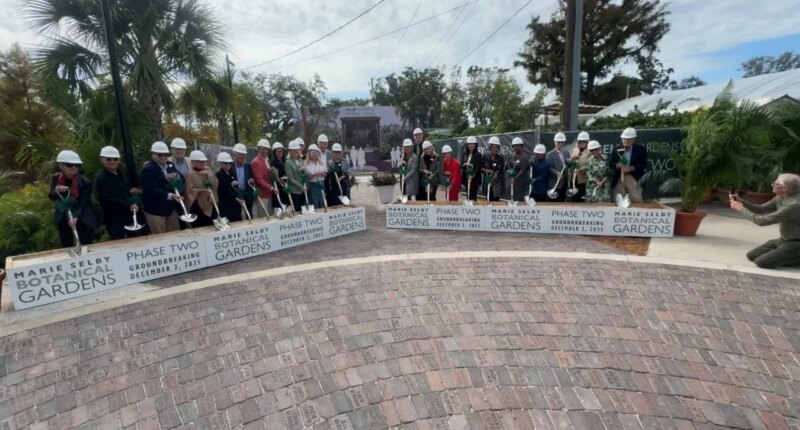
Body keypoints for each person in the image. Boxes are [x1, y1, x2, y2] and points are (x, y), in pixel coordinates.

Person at [730, 173, 800, 269]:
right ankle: (786, 253)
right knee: (752, 255)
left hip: (796, 243)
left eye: (776, 183)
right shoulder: (781, 197)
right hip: (784, 240)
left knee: (762, 262)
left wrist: (741, 209)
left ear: (785, 188)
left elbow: (761, 221)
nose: (772, 184)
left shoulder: (794, 205)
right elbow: (761, 209)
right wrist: (741, 201)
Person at [49, 150, 97, 247]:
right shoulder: (56, 178)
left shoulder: (85, 181)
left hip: (82, 217)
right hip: (64, 217)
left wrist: (75, 217)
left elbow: (84, 202)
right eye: (70, 165)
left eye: (77, 165)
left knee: (85, 245)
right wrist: (57, 191)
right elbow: (52, 196)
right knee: (66, 245)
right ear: (61, 166)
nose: (74, 167)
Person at [94, 146, 143, 240]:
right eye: (109, 159)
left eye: (115, 159)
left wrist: (130, 191)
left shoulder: (121, 173)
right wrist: (127, 206)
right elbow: (105, 199)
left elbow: (123, 191)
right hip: (114, 219)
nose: (112, 161)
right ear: (102, 160)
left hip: (129, 215)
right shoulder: (101, 178)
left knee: (137, 240)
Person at [140, 141, 183, 234]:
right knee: (160, 238)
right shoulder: (148, 169)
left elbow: (181, 177)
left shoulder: (170, 164)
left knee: (175, 234)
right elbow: (151, 189)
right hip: (155, 210)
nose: (163, 157)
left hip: (170, 209)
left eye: (165, 154)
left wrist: (175, 175)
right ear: (153, 155)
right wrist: (171, 195)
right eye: (160, 155)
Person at [609, 127, 647, 203]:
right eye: (624, 139)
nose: (625, 141)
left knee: (636, 198)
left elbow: (644, 165)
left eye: (628, 139)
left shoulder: (640, 150)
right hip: (619, 176)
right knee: (618, 199)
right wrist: (617, 165)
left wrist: (631, 168)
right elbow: (610, 164)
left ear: (633, 139)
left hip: (632, 176)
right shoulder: (616, 149)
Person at [185, 150, 219, 228]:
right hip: (198, 206)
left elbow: (215, 184)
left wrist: (210, 174)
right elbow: (190, 191)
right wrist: (201, 190)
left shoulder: (207, 172)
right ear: (193, 162)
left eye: (204, 161)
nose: (203, 163)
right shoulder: (190, 174)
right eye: (200, 161)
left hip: (210, 203)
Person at [215, 152, 243, 223]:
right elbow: (225, 190)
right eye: (225, 163)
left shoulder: (231, 172)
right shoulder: (219, 175)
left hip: (235, 205)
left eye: (229, 163)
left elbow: (235, 185)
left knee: (238, 221)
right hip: (226, 204)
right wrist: (236, 198)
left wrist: (236, 184)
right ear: (221, 163)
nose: (228, 165)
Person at [250, 139, 274, 217]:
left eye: (266, 149)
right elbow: (259, 179)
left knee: (270, 215)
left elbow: (266, 174)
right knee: (264, 217)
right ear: (258, 149)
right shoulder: (256, 161)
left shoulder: (266, 160)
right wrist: (271, 188)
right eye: (262, 149)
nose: (264, 151)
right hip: (262, 194)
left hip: (269, 193)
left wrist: (271, 171)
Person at [231, 143, 255, 218]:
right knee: (237, 215)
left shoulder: (248, 166)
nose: (241, 156)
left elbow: (253, 178)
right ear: (234, 154)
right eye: (239, 154)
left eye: (243, 154)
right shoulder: (230, 167)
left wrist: (252, 180)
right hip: (236, 196)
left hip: (247, 194)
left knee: (249, 215)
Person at [546, 132, 570, 202]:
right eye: (558, 142)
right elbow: (548, 168)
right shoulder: (549, 154)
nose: (560, 144)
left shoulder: (567, 153)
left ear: (564, 143)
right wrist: (556, 173)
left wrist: (569, 162)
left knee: (562, 202)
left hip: (564, 183)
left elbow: (568, 166)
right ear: (554, 142)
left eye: (562, 142)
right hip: (554, 183)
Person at [285, 140, 307, 212]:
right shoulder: (288, 162)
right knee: (296, 211)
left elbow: (304, 174)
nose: (295, 152)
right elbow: (291, 178)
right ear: (290, 151)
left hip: (302, 190)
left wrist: (303, 171)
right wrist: (301, 186)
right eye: (293, 150)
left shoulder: (301, 160)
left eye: (297, 150)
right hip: (294, 191)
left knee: (302, 210)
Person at [569, 131, 591, 202]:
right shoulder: (575, 150)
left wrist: (582, 169)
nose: (581, 143)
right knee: (574, 200)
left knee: (582, 201)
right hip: (574, 180)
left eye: (584, 142)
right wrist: (572, 159)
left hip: (583, 181)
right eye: (580, 142)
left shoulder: (590, 152)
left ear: (587, 142)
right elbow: (572, 164)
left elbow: (590, 165)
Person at [304, 144, 328, 209]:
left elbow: (326, 174)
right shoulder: (306, 164)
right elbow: (306, 178)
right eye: (313, 153)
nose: (314, 154)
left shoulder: (322, 162)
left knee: (323, 201)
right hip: (312, 185)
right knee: (314, 202)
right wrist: (314, 175)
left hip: (321, 183)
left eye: (316, 153)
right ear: (309, 154)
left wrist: (322, 174)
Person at [460, 136, 483, 202]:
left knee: (473, 196)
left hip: (475, 179)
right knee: (468, 195)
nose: (471, 145)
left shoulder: (478, 155)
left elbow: (479, 167)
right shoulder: (465, 154)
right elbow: (461, 165)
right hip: (466, 178)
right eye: (469, 144)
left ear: (475, 145)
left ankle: (474, 209)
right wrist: (464, 164)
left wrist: (472, 173)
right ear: (467, 145)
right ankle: (468, 208)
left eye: (473, 144)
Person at [507, 137, 529, 203]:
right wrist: (509, 172)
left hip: (521, 183)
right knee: (511, 200)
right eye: (515, 146)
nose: (517, 147)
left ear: (522, 146)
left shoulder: (525, 157)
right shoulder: (511, 156)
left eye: (518, 146)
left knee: (519, 201)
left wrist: (514, 178)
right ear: (513, 147)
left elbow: (522, 170)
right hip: (512, 183)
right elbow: (507, 166)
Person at [483, 137, 505, 202]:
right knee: (487, 200)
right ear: (490, 147)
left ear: (498, 148)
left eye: (496, 147)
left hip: (496, 184)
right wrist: (486, 170)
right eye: (493, 147)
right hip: (487, 182)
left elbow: (502, 170)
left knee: (496, 201)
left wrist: (496, 173)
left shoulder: (501, 158)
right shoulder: (485, 157)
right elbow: (481, 168)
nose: (494, 149)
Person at [270, 142, 290, 212]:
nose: (279, 152)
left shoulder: (286, 161)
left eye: (281, 151)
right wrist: (283, 185)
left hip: (288, 186)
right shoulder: (273, 163)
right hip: (279, 188)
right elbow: (276, 177)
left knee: (289, 206)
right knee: (280, 207)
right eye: (277, 151)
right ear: (274, 152)